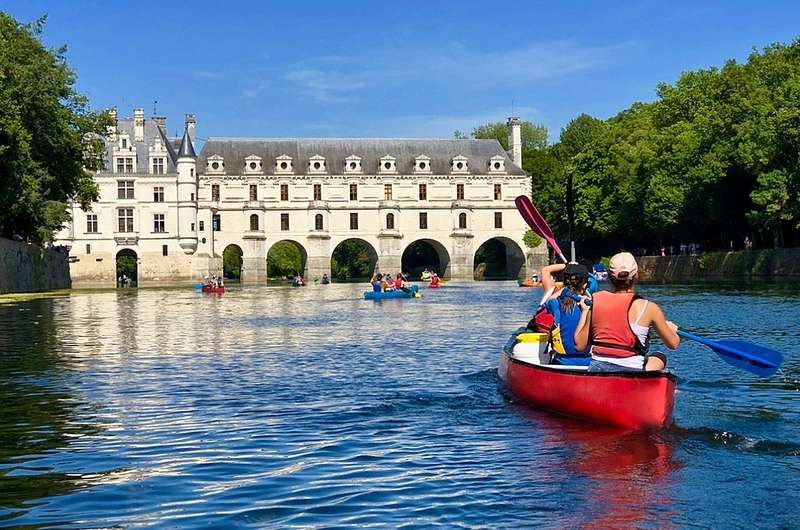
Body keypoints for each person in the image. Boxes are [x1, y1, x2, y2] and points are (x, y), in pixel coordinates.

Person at [574, 252, 680, 372]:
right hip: (630, 373)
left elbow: (579, 346)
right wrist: (671, 330)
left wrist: (585, 311)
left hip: (598, 370)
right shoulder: (649, 308)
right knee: (660, 357)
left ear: (609, 277)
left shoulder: (596, 300)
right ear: (636, 275)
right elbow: (673, 344)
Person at [540, 263, 592, 365]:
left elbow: (548, 301)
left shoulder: (554, 304)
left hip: (561, 361)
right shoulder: (591, 305)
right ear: (585, 285)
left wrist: (564, 290)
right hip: (587, 362)